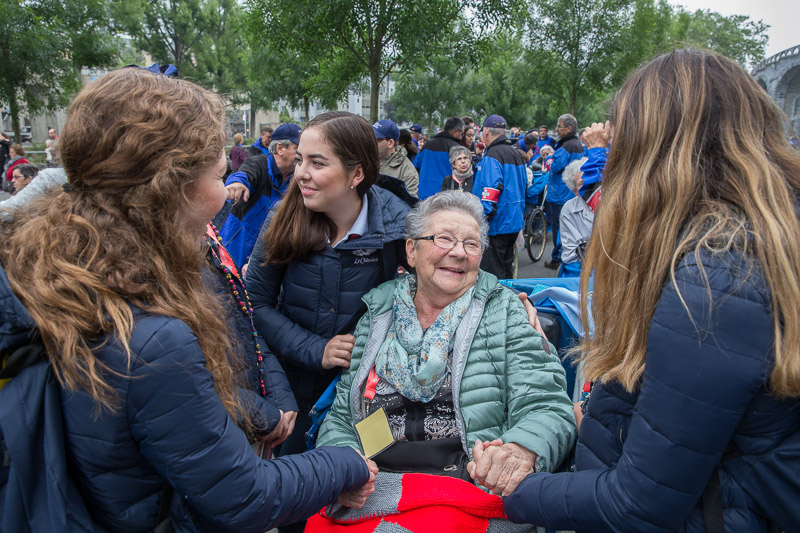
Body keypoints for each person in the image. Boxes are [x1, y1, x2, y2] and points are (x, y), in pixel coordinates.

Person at [0, 68, 376, 532]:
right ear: (170, 188)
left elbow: (246, 321)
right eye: (219, 175)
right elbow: (244, 495)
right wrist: (345, 464)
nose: (225, 195)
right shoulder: (152, 336)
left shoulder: (66, 266)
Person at [503, 49, 800, 532]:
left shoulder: (715, 284)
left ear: (654, 148)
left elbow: (638, 503)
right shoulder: (757, 244)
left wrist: (517, 492)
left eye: (621, 137)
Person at [316, 191, 575, 519]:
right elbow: (342, 416)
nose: (459, 252)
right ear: (412, 250)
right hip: (374, 487)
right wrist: (343, 465)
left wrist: (520, 450)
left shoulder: (504, 311)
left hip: (466, 488)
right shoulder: (379, 311)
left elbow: (548, 405)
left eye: (471, 244)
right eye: (444, 238)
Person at [246, 111, 413, 532]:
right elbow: (254, 303)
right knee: (296, 504)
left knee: (361, 496)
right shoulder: (282, 217)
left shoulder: (400, 228)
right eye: (300, 159)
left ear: (357, 173)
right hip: (295, 394)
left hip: (368, 401)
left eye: (317, 163)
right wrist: (314, 349)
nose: (300, 172)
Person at [219, 122, 301, 267]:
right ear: (280, 148)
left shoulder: (296, 176)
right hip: (239, 244)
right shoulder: (258, 164)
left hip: (268, 249)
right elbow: (243, 175)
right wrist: (235, 184)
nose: (301, 155)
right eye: (297, 149)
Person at [472, 114, 527, 280]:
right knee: (507, 269)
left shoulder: (492, 155)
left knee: (492, 274)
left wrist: (482, 218)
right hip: (514, 220)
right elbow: (524, 185)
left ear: (486, 132)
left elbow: (490, 190)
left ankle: (497, 297)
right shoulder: (516, 153)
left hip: (497, 224)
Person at [543, 114, 583, 269]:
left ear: (569, 128)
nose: (557, 129)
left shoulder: (566, 147)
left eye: (559, 126)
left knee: (559, 228)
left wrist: (548, 158)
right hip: (573, 193)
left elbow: (554, 166)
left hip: (560, 194)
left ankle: (557, 259)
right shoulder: (578, 145)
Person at [413, 116, 464, 199]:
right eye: (462, 133)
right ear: (456, 131)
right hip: (446, 196)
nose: (462, 137)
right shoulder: (457, 148)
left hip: (425, 194)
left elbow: (415, 166)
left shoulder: (428, 145)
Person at [557, 158, 591, 275]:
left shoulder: (615, 203)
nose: (588, 185)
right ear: (575, 191)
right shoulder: (569, 209)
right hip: (583, 267)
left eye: (590, 179)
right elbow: (571, 254)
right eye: (581, 183)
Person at [373, 119, 419, 197]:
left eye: (376, 140)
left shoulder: (407, 171)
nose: (370, 142)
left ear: (390, 143)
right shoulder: (364, 159)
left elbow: (409, 201)